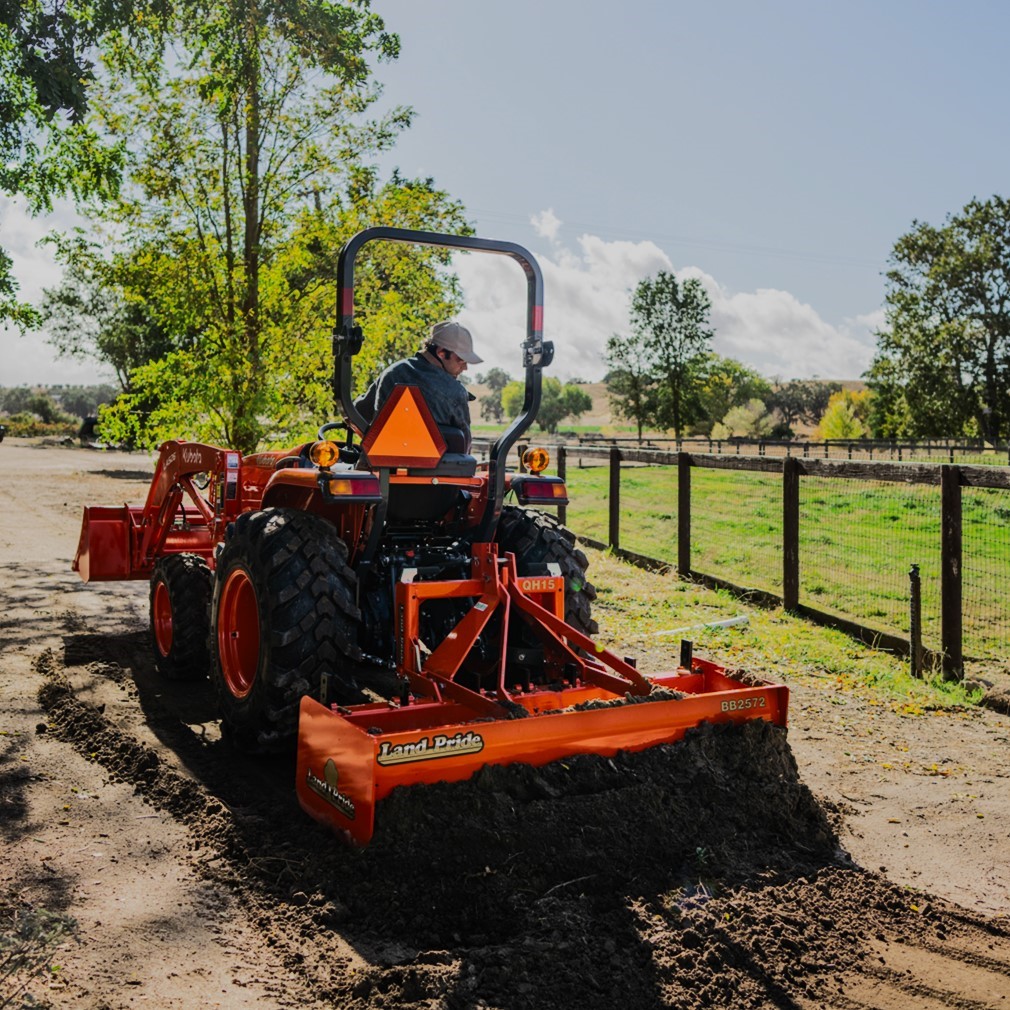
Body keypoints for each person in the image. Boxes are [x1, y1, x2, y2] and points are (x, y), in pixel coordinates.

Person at [354, 320, 481, 450]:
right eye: (461, 360)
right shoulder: (455, 392)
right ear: (441, 353)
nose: (465, 368)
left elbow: (356, 414)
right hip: (439, 469)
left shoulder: (392, 372)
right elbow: (464, 448)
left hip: (379, 465)